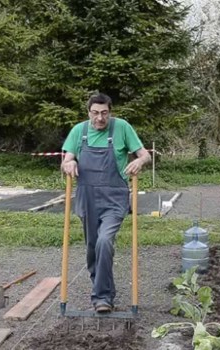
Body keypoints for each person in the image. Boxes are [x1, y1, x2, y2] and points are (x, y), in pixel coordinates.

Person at [61, 93, 150, 312]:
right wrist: (69, 164)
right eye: (95, 113)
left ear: (110, 112)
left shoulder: (122, 128)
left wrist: (139, 160)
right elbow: (67, 158)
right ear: (88, 112)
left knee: (104, 241)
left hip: (114, 198)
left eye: (104, 113)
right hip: (87, 198)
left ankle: (102, 297)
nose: (100, 118)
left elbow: (145, 155)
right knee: (92, 249)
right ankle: (103, 291)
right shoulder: (78, 131)